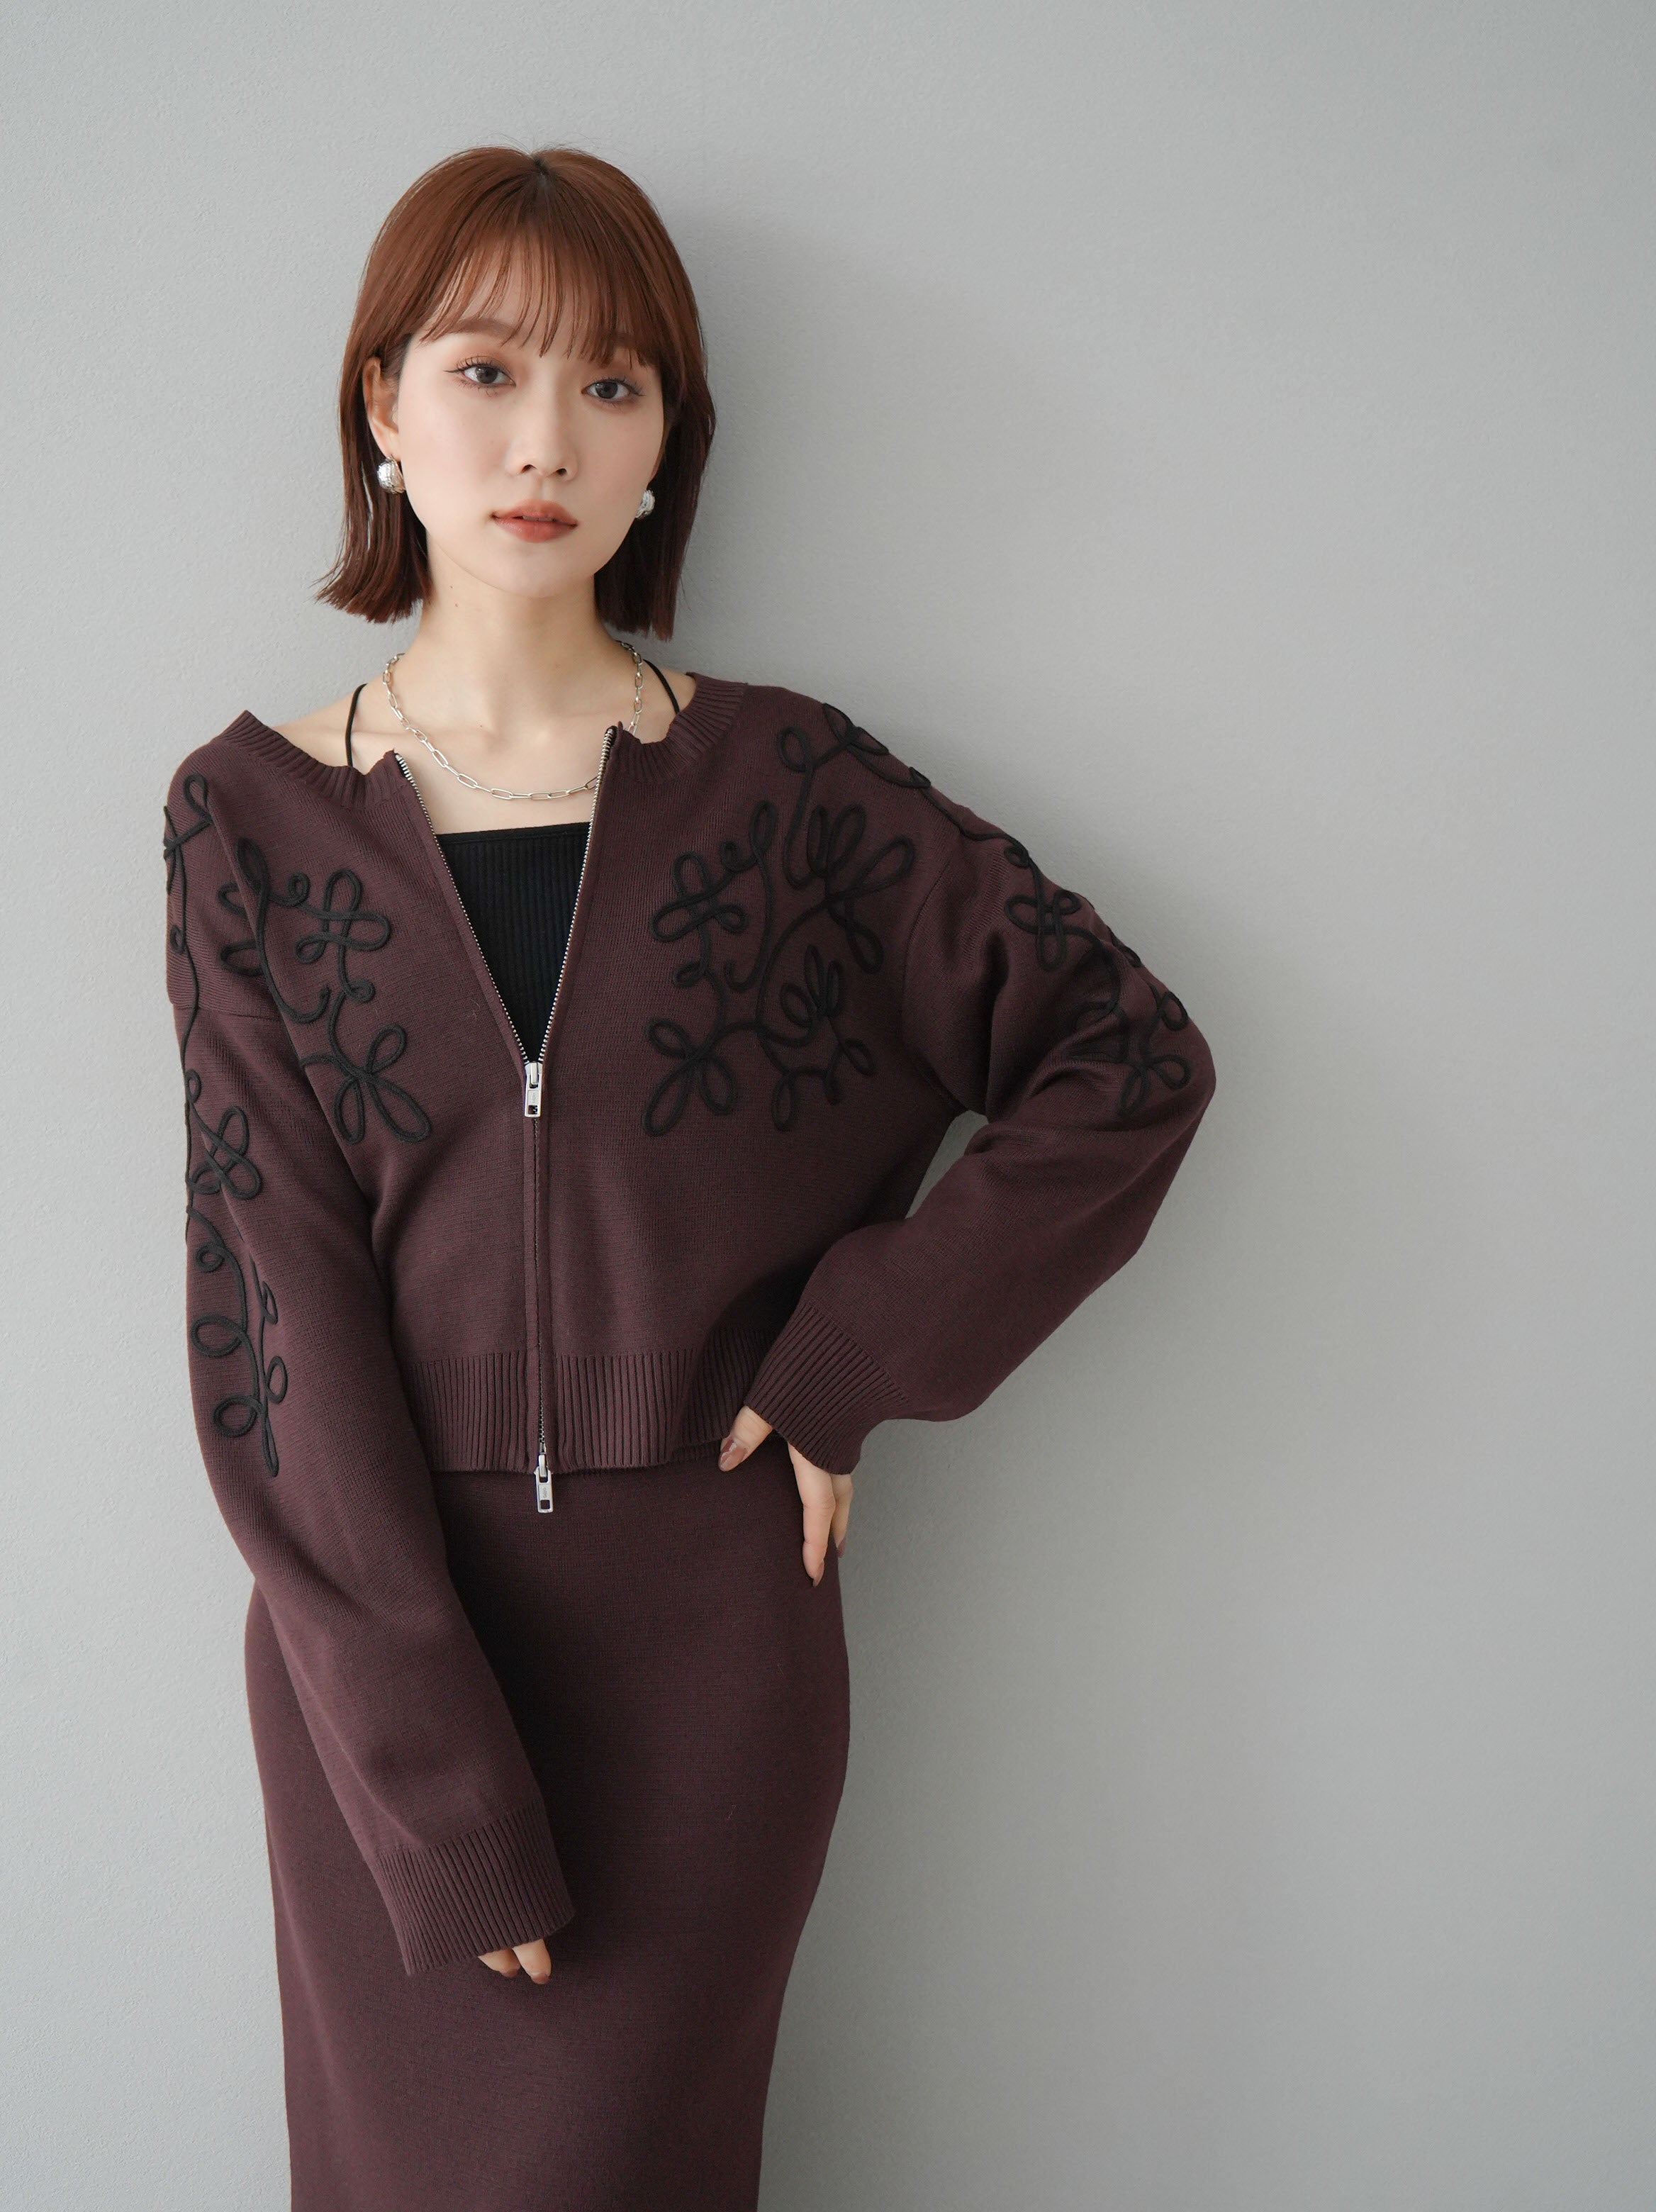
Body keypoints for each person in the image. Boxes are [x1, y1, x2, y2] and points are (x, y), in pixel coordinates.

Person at [160, 143, 1218, 2211]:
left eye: (614, 384)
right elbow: (269, 1330)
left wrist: (856, 1356)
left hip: (709, 1656)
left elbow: (1129, 1057)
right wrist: (437, 1790)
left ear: (668, 446)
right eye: (486, 371)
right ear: (383, 405)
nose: (546, 440)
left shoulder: (792, 792)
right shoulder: (247, 824)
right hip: (387, 1663)